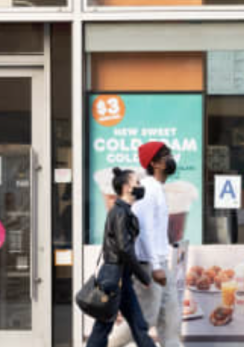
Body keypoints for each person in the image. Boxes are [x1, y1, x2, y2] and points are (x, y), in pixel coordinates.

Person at [109, 142, 183, 347]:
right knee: (145, 318)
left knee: (171, 319)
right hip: (149, 265)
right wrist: (156, 267)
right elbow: (144, 231)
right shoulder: (148, 189)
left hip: (159, 263)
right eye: (166, 155)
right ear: (155, 163)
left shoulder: (156, 189)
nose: (171, 158)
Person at [86, 168, 156, 347]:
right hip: (114, 279)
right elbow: (125, 249)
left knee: (138, 325)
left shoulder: (124, 211)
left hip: (121, 278)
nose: (140, 186)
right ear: (126, 187)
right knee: (103, 328)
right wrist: (143, 275)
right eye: (137, 183)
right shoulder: (120, 213)